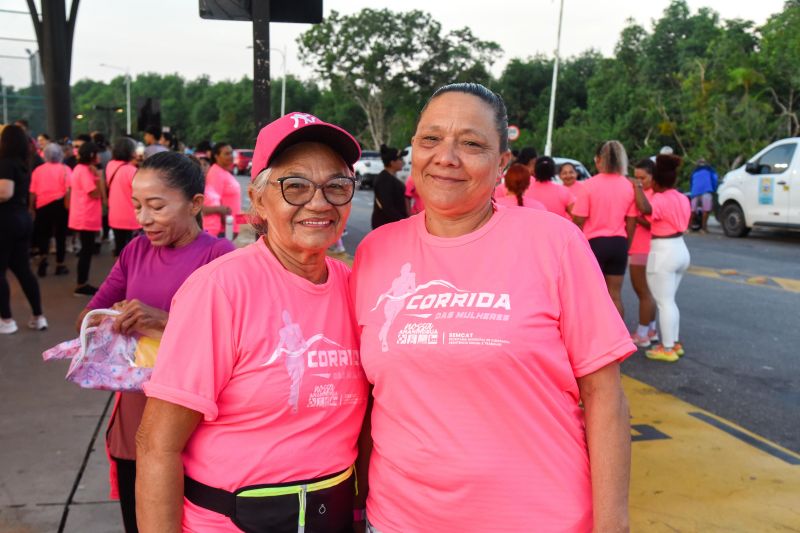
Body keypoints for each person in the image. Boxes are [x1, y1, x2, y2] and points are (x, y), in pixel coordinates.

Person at [351, 83, 634, 532]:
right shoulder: (375, 252)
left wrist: (613, 524)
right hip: (399, 520)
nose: (446, 156)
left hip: (541, 518)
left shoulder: (555, 243)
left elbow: (605, 397)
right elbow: (367, 400)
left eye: (472, 143)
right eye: (430, 139)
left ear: (502, 162)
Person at [136, 112, 369, 532]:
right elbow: (156, 446)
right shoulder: (219, 290)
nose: (319, 202)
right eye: (295, 186)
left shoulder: (357, 289)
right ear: (259, 201)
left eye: (336, 185)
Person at [77, 151, 235, 533]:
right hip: (135, 417)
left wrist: (166, 322)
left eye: (157, 206)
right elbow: (88, 319)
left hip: (197, 423)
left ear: (196, 204)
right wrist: (111, 318)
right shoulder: (135, 251)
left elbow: (237, 342)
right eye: (137, 206)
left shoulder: (220, 257)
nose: (144, 219)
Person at [632, 154, 691, 362]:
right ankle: (673, 342)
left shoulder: (659, 198)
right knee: (670, 301)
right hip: (681, 249)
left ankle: (667, 348)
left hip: (663, 251)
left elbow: (646, 209)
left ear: (656, 181)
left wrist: (637, 187)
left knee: (664, 302)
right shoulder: (682, 197)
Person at [572, 140, 637, 317]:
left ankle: (592, 340)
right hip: (619, 244)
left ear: (599, 159)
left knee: (591, 296)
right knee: (615, 295)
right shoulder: (628, 186)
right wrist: (626, 246)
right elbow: (632, 222)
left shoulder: (589, 185)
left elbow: (578, 219)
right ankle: (618, 341)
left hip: (595, 245)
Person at [0, 124, 47, 334]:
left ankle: (6, 320)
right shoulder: (22, 163)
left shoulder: (5, 164)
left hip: (6, 221)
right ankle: (38, 316)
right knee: (23, 270)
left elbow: (4, 192)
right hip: (22, 219)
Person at [69, 141, 106, 296]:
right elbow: (95, 193)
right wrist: (99, 177)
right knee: (86, 250)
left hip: (84, 214)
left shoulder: (81, 169)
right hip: (86, 215)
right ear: (91, 155)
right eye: (96, 153)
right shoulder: (84, 171)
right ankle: (81, 284)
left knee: (86, 249)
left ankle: (82, 282)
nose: (98, 156)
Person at [29, 142, 72, 277]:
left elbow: (33, 192)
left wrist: (31, 207)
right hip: (60, 205)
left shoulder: (38, 170)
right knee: (60, 235)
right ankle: (60, 264)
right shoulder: (65, 169)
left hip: (42, 205)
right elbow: (69, 189)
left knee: (43, 234)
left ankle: (43, 260)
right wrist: (68, 206)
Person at [628, 159, 658, 348]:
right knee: (649, 292)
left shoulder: (652, 195)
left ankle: (642, 333)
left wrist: (635, 218)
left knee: (643, 292)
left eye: (643, 178)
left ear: (652, 177)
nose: (639, 182)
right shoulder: (645, 192)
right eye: (636, 177)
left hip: (643, 248)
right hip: (644, 249)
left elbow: (652, 220)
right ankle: (651, 329)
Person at [106, 137, 141, 256]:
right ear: (130, 152)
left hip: (115, 216)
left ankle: (120, 272)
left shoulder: (110, 165)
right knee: (132, 253)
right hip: (130, 218)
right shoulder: (131, 170)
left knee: (120, 249)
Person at [202, 142, 241, 237]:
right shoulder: (216, 173)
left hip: (229, 227)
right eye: (226, 154)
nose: (231, 156)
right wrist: (227, 226)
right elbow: (213, 202)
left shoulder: (224, 172)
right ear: (216, 156)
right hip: (222, 229)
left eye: (231, 153)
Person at [371, 144, 408, 229]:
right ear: (392, 162)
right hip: (386, 225)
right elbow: (388, 207)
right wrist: (403, 221)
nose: (403, 162)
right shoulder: (384, 180)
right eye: (400, 159)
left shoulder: (389, 177)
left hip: (393, 223)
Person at [689, 158, 718, 233]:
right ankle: (704, 228)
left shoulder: (694, 172)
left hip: (695, 192)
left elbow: (691, 183)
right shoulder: (710, 170)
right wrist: (714, 189)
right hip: (707, 191)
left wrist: (693, 191)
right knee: (706, 210)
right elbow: (715, 179)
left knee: (693, 211)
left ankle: (689, 228)